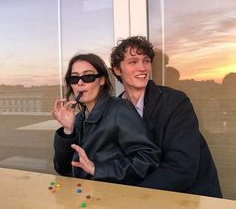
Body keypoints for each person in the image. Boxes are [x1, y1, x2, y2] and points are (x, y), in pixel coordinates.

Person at [110, 36, 223, 197]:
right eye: (133, 62)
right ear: (117, 69)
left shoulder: (175, 102)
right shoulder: (114, 109)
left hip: (188, 197)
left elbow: (181, 167)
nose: (142, 68)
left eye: (146, 61)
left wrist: (134, 195)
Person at [52, 53, 160, 185]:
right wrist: (68, 131)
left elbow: (148, 158)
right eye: (74, 78)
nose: (80, 82)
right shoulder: (79, 119)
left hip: (112, 198)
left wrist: (97, 169)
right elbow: (63, 169)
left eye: (88, 76)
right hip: (85, 196)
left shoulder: (119, 110)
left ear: (102, 80)